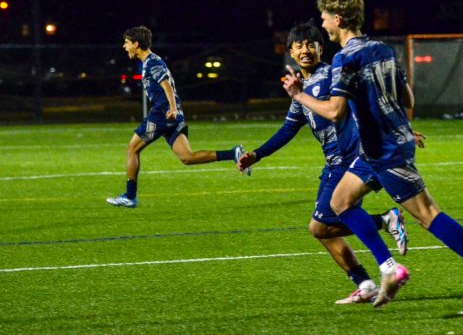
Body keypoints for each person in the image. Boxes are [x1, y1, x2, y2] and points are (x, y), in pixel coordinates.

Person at [282, 0, 463, 320]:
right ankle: (388, 268)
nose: (322, 23)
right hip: (381, 145)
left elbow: (334, 112)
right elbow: (406, 97)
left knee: (428, 215)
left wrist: (299, 95)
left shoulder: (347, 58)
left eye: (324, 17)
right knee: (339, 202)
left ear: (338, 19)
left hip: (384, 149)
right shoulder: (384, 49)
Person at [237, 21, 409, 304]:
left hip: (352, 158)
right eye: (299, 46)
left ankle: (386, 235)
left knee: (323, 222)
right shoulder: (301, 90)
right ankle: (365, 283)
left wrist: (396, 127)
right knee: (320, 228)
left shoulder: (332, 75)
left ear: (320, 48)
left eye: (310, 44)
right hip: (333, 163)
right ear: (291, 52)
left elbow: (363, 100)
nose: (305, 50)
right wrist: (257, 154)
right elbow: (288, 129)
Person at [106, 26, 246, 208]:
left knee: (132, 149)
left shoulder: (151, 62)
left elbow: (166, 86)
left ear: (136, 44)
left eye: (126, 42)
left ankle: (129, 196)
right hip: (173, 114)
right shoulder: (151, 61)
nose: (124, 47)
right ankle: (233, 153)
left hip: (163, 113)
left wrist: (171, 108)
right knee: (187, 157)